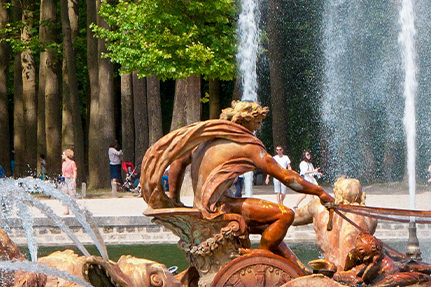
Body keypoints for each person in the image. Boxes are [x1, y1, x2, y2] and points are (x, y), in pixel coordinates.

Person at [141, 101, 334, 273]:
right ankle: (258, 260)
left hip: (203, 207)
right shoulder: (247, 146)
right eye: (256, 122)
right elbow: (285, 176)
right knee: (285, 215)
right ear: (245, 121)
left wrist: (175, 200)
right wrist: (319, 192)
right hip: (220, 207)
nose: (258, 127)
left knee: (270, 225)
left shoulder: (204, 141)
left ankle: (298, 269)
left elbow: (177, 163)